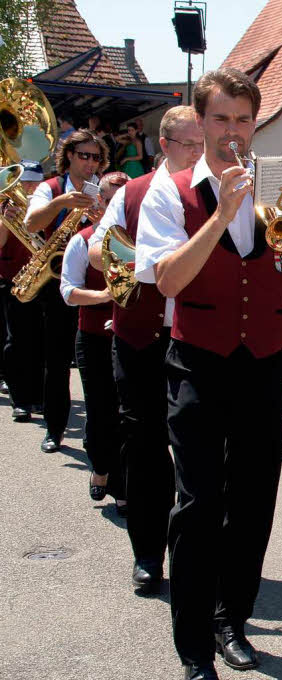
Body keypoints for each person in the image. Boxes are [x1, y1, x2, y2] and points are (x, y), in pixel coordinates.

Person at [134, 68, 282, 680]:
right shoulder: (173, 193)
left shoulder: (273, 190)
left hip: (263, 367)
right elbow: (164, 280)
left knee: (252, 504)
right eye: (221, 119)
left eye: (243, 120)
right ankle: (193, 647)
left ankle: (230, 620)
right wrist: (220, 215)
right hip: (197, 363)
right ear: (200, 122)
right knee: (198, 507)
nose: (233, 132)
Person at [87, 104, 204, 595]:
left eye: (204, 145)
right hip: (140, 336)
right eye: (190, 145)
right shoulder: (136, 193)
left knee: (198, 453)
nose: (200, 154)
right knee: (145, 447)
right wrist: (147, 258)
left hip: (197, 338)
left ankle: (196, 553)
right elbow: (97, 247)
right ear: (164, 145)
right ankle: (147, 554)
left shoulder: (213, 193)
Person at [22, 130, 107, 452]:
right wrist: (62, 202)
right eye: (84, 156)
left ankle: (97, 435)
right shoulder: (50, 187)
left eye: (96, 157)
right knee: (56, 361)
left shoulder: (104, 189)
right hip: (56, 282)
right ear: (69, 155)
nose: (90, 163)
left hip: (95, 283)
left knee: (93, 365)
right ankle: (54, 428)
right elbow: (31, 223)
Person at [59, 216, 122, 511]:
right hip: (94, 339)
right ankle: (100, 468)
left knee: (128, 413)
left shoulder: (142, 237)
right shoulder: (82, 241)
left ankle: (122, 485)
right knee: (100, 410)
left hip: (131, 338)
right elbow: (69, 292)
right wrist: (104, 296)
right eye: (108, 200)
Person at [0, 161, 46, 408]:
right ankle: (19, 398)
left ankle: (38, 394)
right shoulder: (5, 206)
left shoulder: (44, 205)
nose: (28, 187)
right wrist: (5, 220)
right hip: (14, 279)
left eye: (34, 182)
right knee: (16, 340)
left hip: (43, 278)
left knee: (39, 339)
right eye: (24, 182)